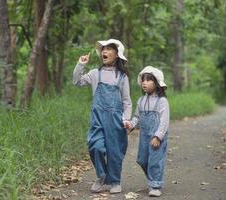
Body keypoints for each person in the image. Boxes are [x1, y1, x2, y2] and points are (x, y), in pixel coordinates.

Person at [72, 39, 132, 194]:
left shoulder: (122, 77)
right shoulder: (94, 74)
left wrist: (126, 119)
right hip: (97, 118)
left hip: (115, 120)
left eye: (108, 49)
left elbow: (126, 101)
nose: (104, 51)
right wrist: (81, 65)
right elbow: (76, 82)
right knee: (95, 146)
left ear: (117, 55)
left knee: (115, 151)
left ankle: (115, 181)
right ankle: (101, 176)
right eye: (103, 49)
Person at [125, 66, 169, 197]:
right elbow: (137, 117)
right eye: (143, 80)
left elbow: (164, 121)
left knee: (155, 160)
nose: (144, 82)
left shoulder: (162, 101)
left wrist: (158, 136)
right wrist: (130, 125)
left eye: (149, 80)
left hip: (157, 136)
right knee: (142, 160)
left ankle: (155, 185)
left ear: (156, 83)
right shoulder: (141, 100)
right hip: (144, 136)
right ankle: (152, 178)